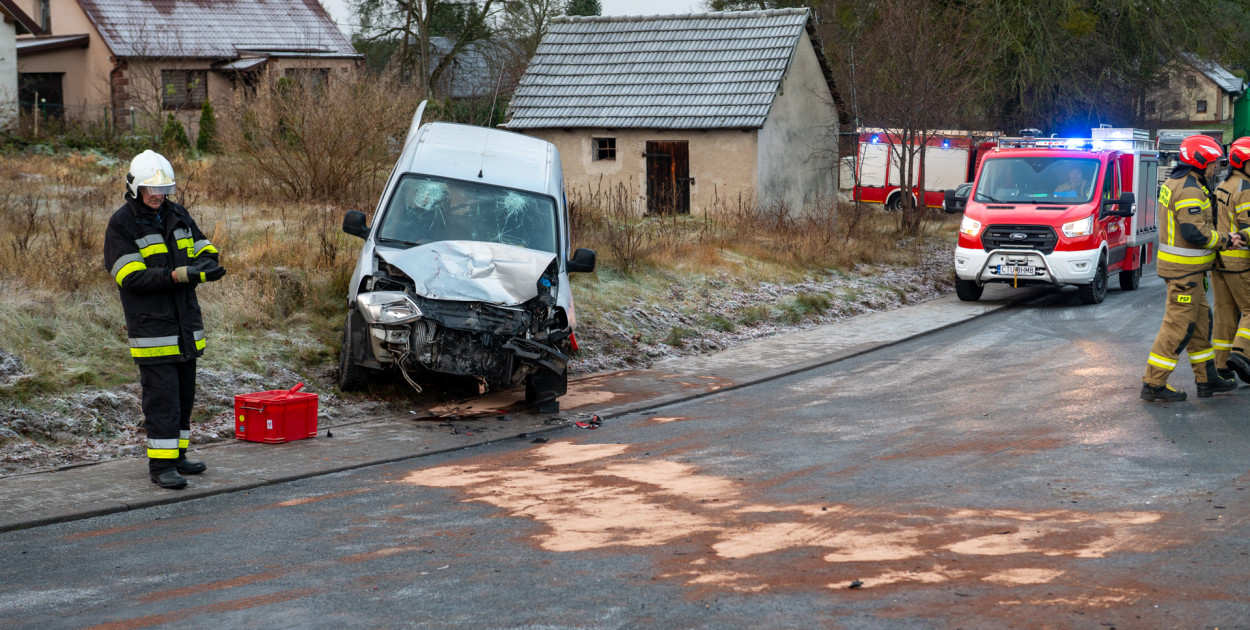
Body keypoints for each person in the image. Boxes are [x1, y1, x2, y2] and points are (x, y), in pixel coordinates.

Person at [103, 150, 226, 488]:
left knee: (185, 396)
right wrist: (178, 276)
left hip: (185, 328)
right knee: (162, 400)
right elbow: (130, 277)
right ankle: (161, 467)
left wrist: (209, 262)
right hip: (153, 331)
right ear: (135, 188)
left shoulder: (177, 213)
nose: (158, 196)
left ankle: (179, 456)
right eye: (151, 190)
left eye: (163, 189)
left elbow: (202, 246)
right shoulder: (122, 223)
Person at [1141, 135, 1243, 402]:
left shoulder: (1180, 182)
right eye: (1212, 163)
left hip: (1189, 272)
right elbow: (1193, 231)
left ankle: (1207, 379)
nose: (1216, 168)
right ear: (1199, 163)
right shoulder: (1190, 189)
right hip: (1183, 274)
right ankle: (1153, 383)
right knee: (1178, 327)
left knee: (1199, 326)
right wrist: (1225, 240)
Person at [1212, 137, 1250, 383]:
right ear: (1242, 163)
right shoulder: (1245, 190)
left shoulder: (1222, 185)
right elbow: (1247, 230)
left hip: (1218, 261)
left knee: (1225, 313)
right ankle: (1241, 353)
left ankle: (1221, 365)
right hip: (1239, 262)